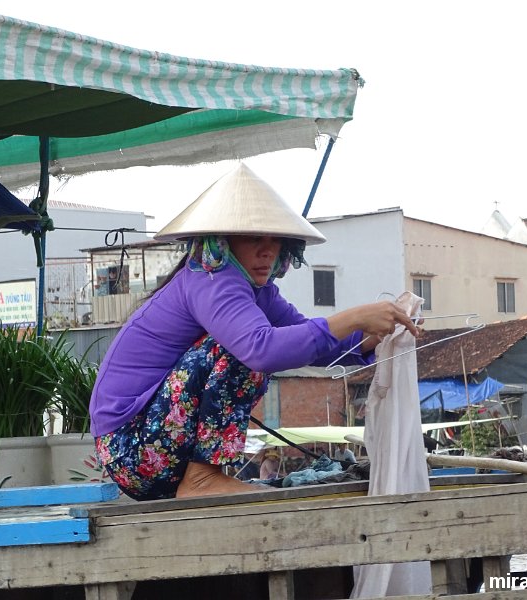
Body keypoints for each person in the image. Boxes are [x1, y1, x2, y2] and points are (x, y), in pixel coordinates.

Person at [90, 163, 419, 501]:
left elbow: (308, 340)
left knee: (265, 342)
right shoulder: (212, 280)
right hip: (131, 449)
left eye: (274, 239)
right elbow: (263, 350)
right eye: (252, 238)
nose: (267, 250)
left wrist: (371, 337)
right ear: (224, 241)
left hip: (151, 450)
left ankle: (203, 477)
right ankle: (202, 479)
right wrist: (354, 316)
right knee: (243, 349)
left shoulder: (256, 292)